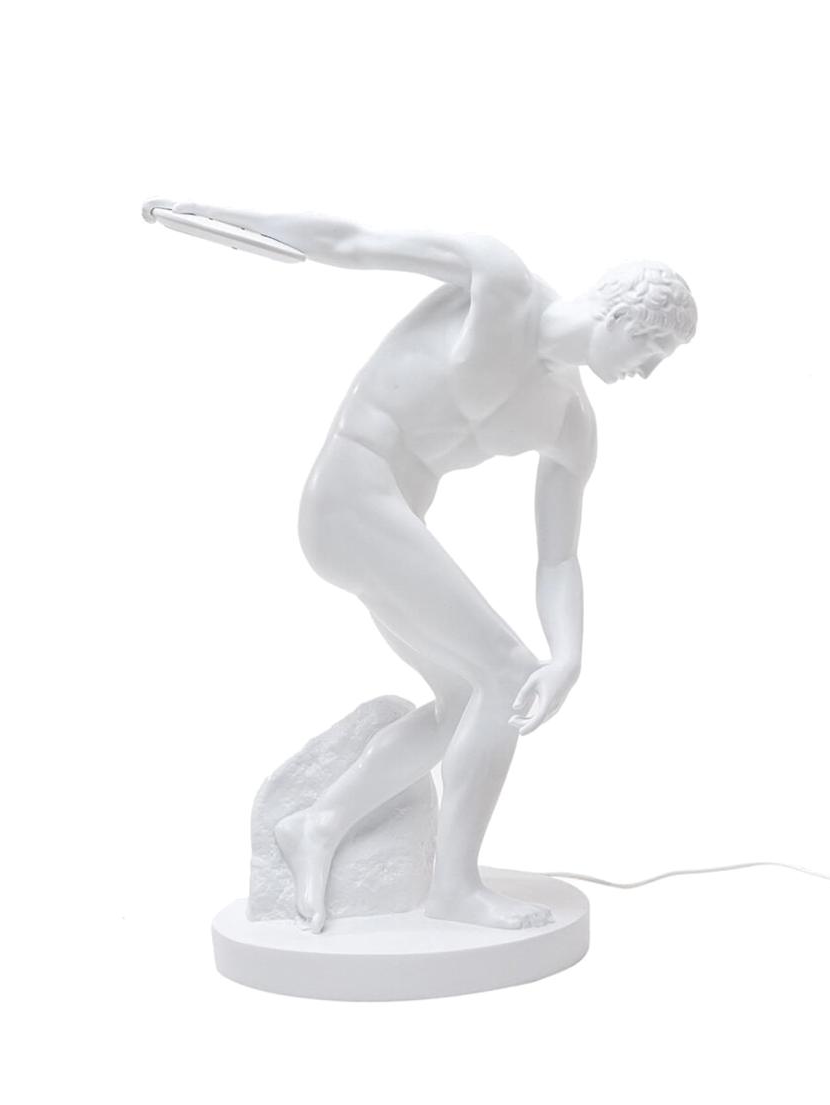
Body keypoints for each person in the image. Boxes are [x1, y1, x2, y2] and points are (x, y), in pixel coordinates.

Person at [156, 201, 696, 931]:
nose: (649, 372)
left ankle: (316, 824)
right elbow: (353, 239)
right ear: (623, 313)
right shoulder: (499, 283)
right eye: (654, 348)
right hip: (349, 495)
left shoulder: (571, 421)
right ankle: (455, 890)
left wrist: (568, 655)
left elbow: (559, 554)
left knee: (466, 702)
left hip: (390, 526)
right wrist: (224, 220)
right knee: (506, 672)